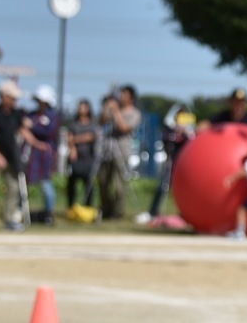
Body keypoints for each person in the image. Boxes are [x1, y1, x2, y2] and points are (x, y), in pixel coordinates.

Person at [0, 80, 40, 232]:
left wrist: (36, 143)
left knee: (13, 187)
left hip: (11, 156)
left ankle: (9, 219)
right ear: (4, 96)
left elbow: (23, 130)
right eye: (12, 97)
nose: (14, 101)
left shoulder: (16, 114)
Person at [97, 84, 141, 220]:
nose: (121, 97)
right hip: (107, 150)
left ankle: (117, 212)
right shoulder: (115, 108)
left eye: (124, 94)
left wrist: (116, 112)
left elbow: (124, 128)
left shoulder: (134, 113)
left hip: (122, 151)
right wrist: (106, 108)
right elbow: (100, 122)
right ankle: (106, 209)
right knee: (103, 181)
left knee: (118, 184)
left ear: (131, 97)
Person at [147, 106, 194, 221]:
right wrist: (177, 132)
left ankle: (186, 214)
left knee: (186, 191)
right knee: (162, 187)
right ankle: (153, 212)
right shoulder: (169, 130)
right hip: (170, 164)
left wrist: (186, 133)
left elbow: (192, 144)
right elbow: (166, 140)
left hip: (183, 166)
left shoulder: (190, 132)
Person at [26, 85, 60, 224]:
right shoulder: (32, 115)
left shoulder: (52, 117)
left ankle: (48, 212)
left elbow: (48, 132)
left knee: (46, 183)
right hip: (31, 153)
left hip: (46, 155)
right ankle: (20, 210)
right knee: (25, 181)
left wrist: (32, 127)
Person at [66, 99, 99, 209]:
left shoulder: (92, 124)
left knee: (88, 183)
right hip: (75, 158)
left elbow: (91, 136)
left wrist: (75, 139)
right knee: (72, 183)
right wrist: (73, 148)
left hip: (88, 158)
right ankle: (71, 207)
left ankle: (88, 206)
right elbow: (69, 139)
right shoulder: (73, 124)